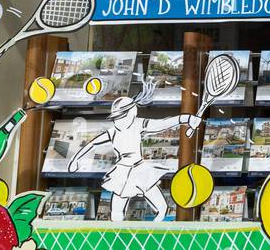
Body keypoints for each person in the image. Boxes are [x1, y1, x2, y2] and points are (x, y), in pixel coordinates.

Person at [69, 95, 202, 221]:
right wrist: (76, 159)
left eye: (122, 115)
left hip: (139, 170)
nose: (119, 120)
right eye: (116, 117)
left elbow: (162, 124)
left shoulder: (138, 124)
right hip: (122, 172)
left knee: (162, 208)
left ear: (133, 112)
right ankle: (117, 237)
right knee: (116, 212)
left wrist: (186, 119)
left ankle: (152, 233)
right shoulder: (113, 131)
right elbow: (92, 144)